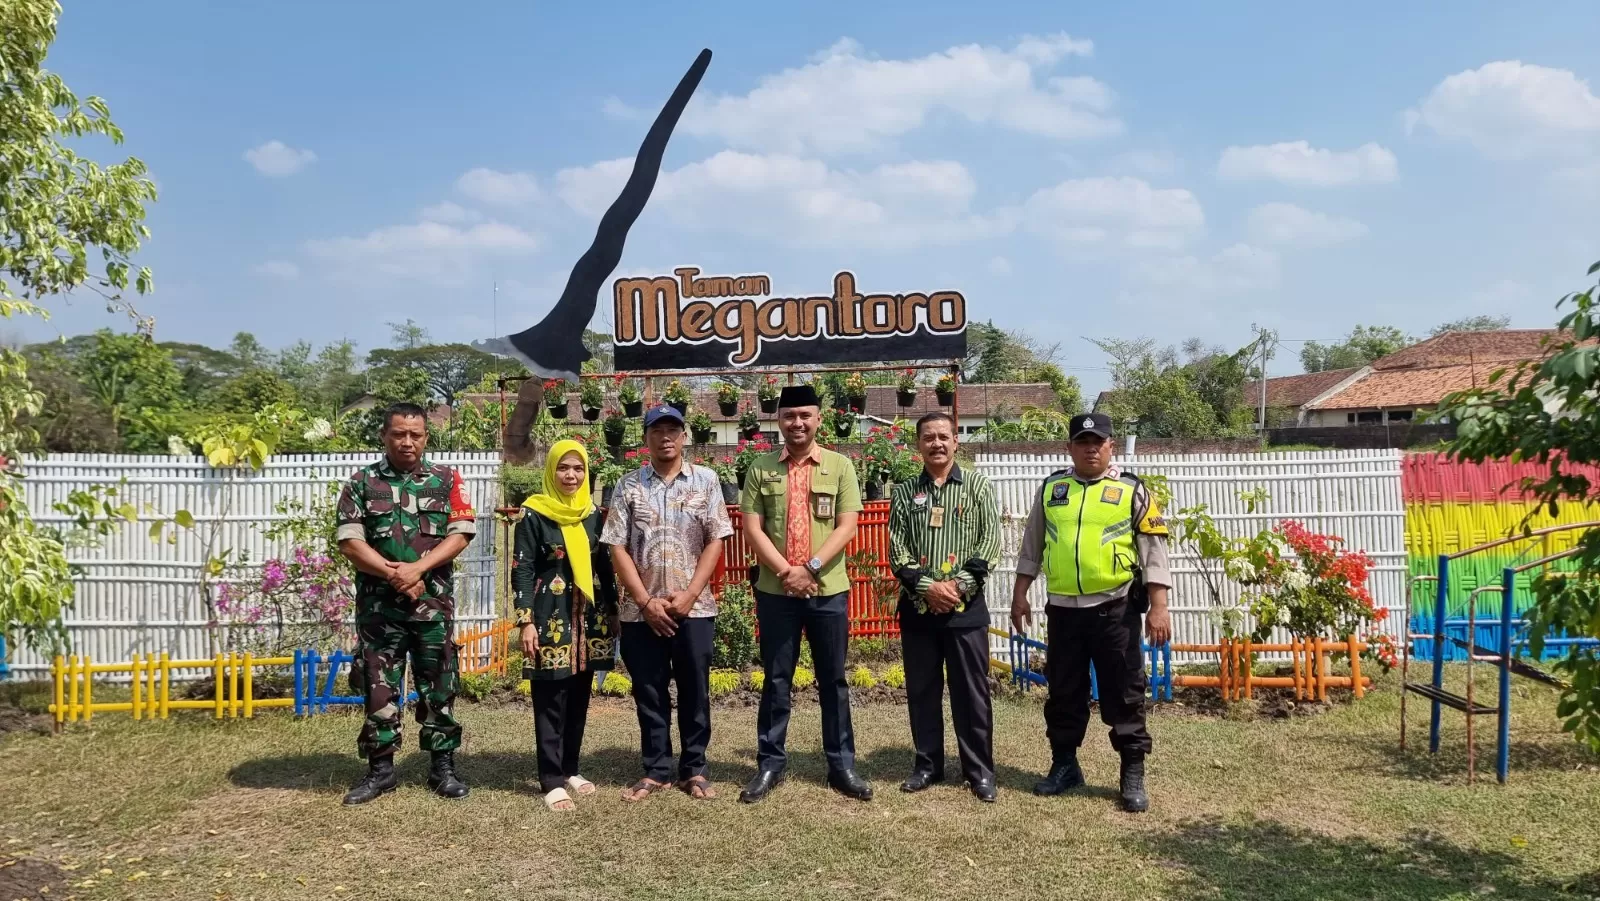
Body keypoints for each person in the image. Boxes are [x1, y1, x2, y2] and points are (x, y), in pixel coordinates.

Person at [1009, 412, 1173, 813]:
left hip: (1115, 609)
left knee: (1125, 691)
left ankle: (1131, 772)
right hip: (1063, 611)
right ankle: (1065, 766)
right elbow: (1032, 547)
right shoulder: (1052, 489)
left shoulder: (1131, 489)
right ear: (1070, 448)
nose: (1090, 448)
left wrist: (1159, 606)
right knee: (1063, 691)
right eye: (1082, 441)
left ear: (1110, 445)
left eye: (1098, 441)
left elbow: (1154, 551)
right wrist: (1020, 595)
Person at [335, 402, 477, 805]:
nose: (408, 441)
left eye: (415, 434)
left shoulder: (446, 479)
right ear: (385, 436)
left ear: (426, 437)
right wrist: (393, 573)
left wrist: (417, 569)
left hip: (432, 605)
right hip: (380, 610)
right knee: (379, 687)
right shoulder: (362, 482)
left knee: (439, 684)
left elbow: (461, 533)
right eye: (399, 433)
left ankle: (442, 768)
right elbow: (350, 541)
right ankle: (380, 771)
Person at [737, 384, 873, 804]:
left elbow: (848, 525)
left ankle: (841, 765)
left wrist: (810, 568)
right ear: (779, 420)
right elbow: (752, 527)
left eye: (805, 415)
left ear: (819, 419)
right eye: (789, 415)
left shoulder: (840, 466)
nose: (797, 422)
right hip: (776, 592)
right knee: (776, 679)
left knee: (833, 680)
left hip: (828, 591)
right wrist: (785, 572)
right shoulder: (760, 467)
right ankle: (770, 764)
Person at [602, 405, 733, 802]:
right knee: (650, 690)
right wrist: (644, 602)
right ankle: (657, 768)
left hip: (695, 608)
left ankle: (694, 769)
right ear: (645, 439)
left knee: (696, 689)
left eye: (672, 430)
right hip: (642, 613)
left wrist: (691, 593)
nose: (665, 438)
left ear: (684, 436)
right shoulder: (628, 486)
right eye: (657, 430)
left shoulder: (707, 481)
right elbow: (617, 547)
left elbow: (716, 538)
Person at [888, 412, 1002, 802]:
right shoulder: (904, 492)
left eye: (943, 437)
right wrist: (927, 588)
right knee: (922, 689)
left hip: (965, 608)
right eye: (928, 437)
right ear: (918, 444)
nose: (936, 444)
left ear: (956, 441)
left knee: (971, 693)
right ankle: (927, 764)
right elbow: (896, 549)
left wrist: (956, 586)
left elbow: (990, 544)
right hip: (919, 609)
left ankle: (979, 771)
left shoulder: (977, 486)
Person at [513, 438, 620, 812]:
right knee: (550, 698)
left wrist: (614, 609)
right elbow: (522, 569)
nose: (571, 475)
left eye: (578, 468)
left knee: (578, 697)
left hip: (589, 620)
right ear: (551, 470)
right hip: (549, 618)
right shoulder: (533, 514)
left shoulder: (593, 513)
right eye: (563, 467)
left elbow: (603, 565)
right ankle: (551, 778)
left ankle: (571, 768)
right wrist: (525, 621)